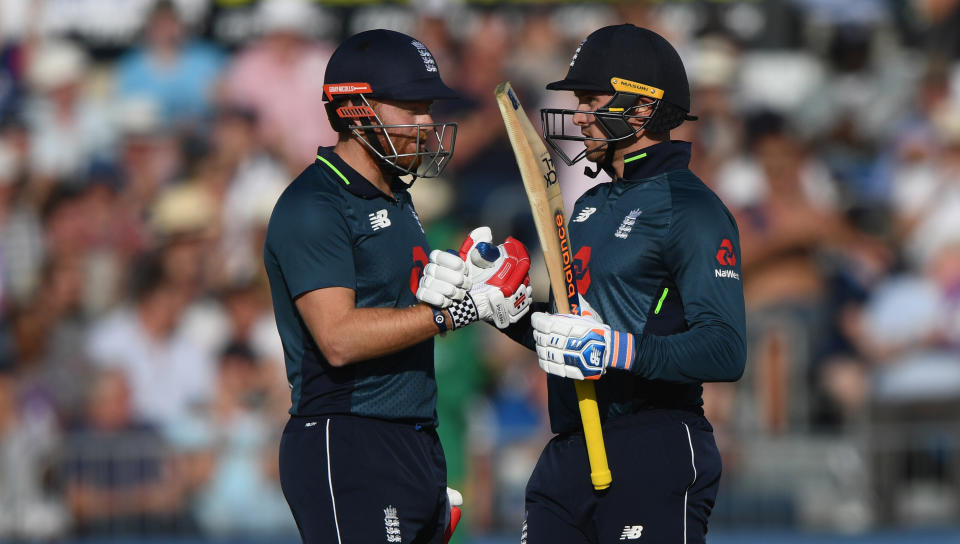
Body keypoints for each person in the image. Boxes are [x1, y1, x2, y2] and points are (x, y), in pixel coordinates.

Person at [262, 29, 532, 544]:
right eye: (411, 108)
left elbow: (397, 313)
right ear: (357, 108)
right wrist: (452, 310)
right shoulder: (315, 205)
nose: (427, 123)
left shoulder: (396, 199)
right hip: (348, 439)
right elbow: (338, 338)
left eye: (427, 107)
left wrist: (470, 282)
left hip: (412, 439)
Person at [483, 24, 745, 543]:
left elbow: (725, 349)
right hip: (570, 449)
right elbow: (571, 336)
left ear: (642, 109)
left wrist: (616, 350)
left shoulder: (691, 208)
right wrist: (502, 308)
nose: (578, 115)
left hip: (653, 444)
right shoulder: (591, 205)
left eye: (590, 99)